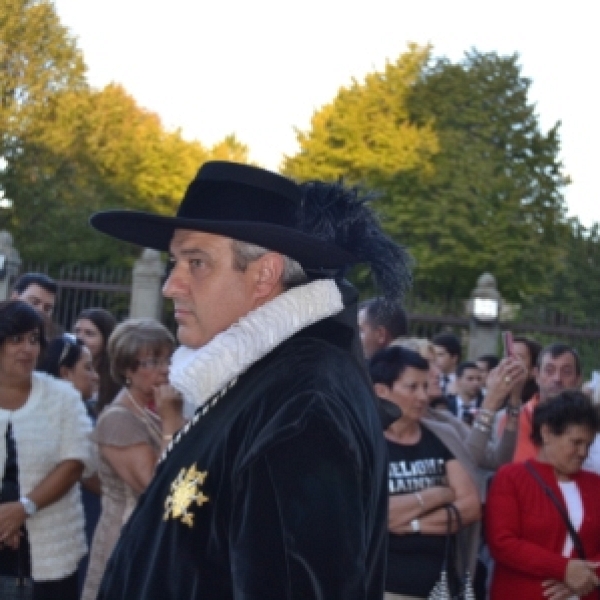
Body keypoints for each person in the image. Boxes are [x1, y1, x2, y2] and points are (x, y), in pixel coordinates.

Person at [88, 161, 412, 599]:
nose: (171, 285)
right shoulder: (266, 379)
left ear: (264, 275)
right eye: (174, 262)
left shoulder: (303, 405)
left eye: (196, 262)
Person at [82, 318, 183, 600]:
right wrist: (171, 422)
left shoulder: (162, 405)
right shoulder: (118, 420)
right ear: (127, 369)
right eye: (152, 362)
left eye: (167, 358)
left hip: (156, 542)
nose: (165, 369)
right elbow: (155, 489)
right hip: (127, 544)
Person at [369, 345, 481, 599]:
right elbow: (374, 516)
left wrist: (412, 524)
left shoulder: (442, 436)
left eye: (426, 386)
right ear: (381, 391)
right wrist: (437, 495)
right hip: (380, 588)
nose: (423, 396)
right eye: (412, 387)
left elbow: (470, 506)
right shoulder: (364, 444)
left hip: (440, 587)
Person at [0, 300, 93, 600]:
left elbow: (75, 462)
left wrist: (23, 508)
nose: (27, 349)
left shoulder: (62, 397)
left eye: (33, 340)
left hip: (50, 556)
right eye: (16, 340)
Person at [487, 391, 600, 599]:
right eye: (576, 442)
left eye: (588, 444)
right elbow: (502, 542)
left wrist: (587, 577)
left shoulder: (595, 484)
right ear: (547, 432)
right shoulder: (511, 478)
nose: (583, 452)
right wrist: (564, 569)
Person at [74, 308, 119, 415]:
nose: (79, 338)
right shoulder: (66, 372)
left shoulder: (116, 379)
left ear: (106, 340)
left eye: (89, 333)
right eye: (77, 331)